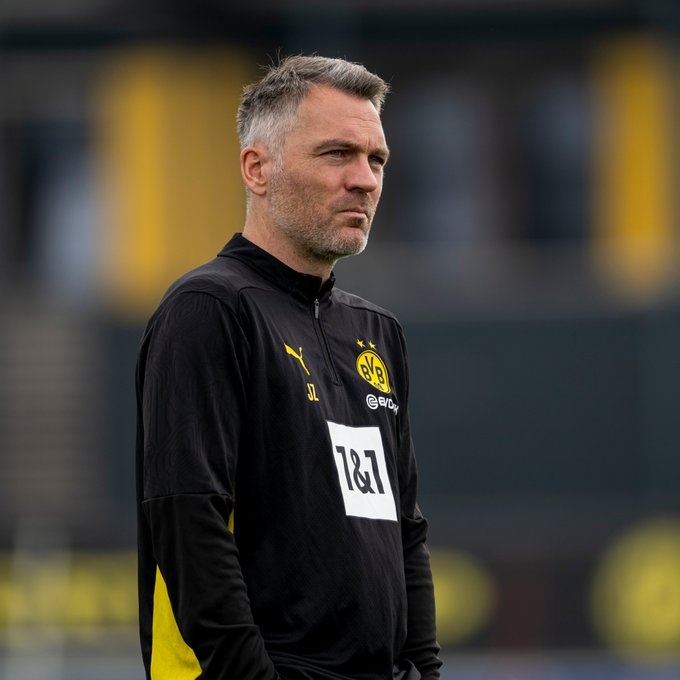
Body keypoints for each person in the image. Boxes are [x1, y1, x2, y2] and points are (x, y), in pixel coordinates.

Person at [136, 54, 441, 680]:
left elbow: (404, 532)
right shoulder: (209, 308)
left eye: (376, 159)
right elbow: (189, 522)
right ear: (257, 168)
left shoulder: (377, 333)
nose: (364, 180)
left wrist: (422, 671)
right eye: (337, 154)